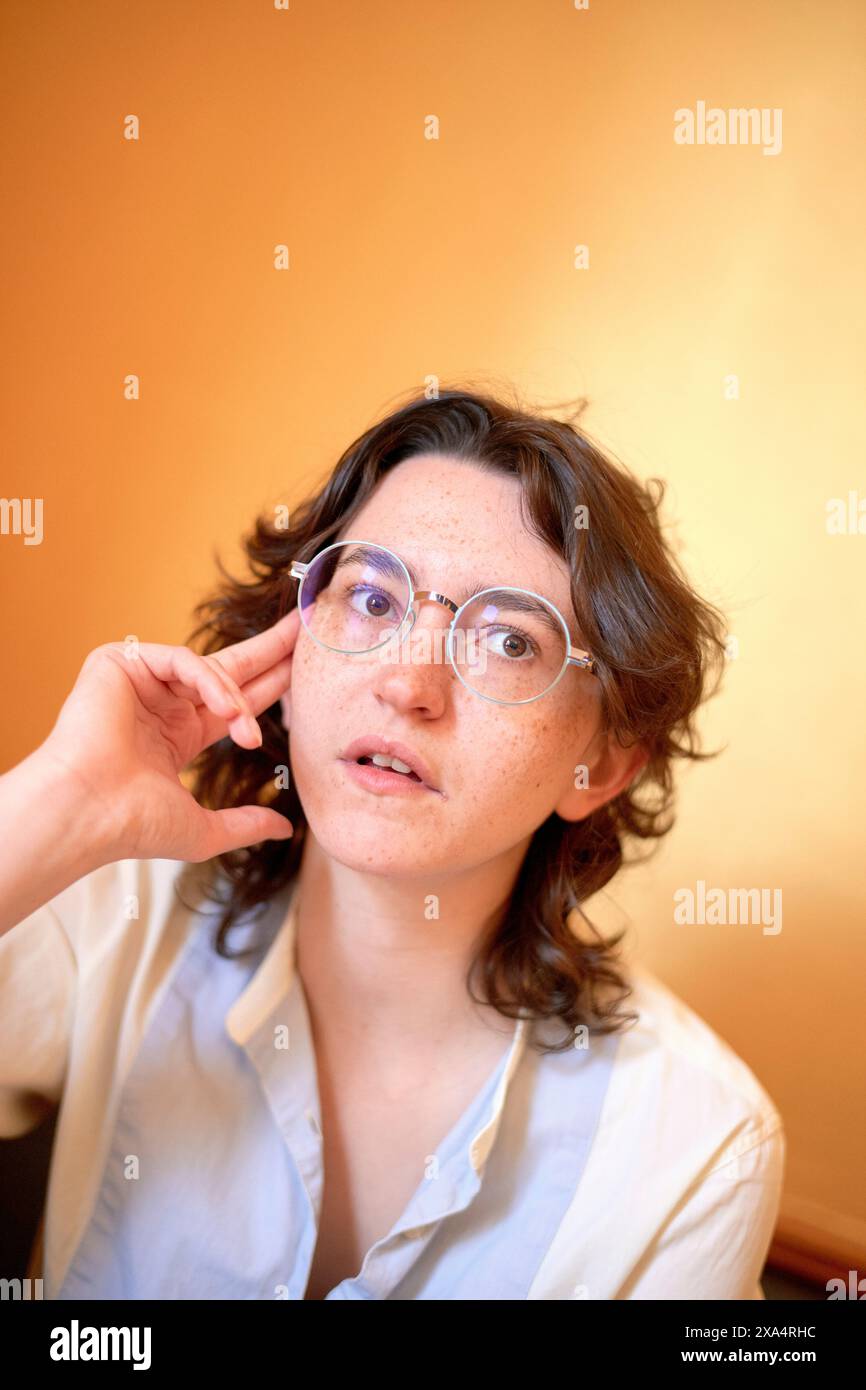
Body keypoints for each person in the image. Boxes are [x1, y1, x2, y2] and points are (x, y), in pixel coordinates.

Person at [0, 387, 785, 1300]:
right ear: (286, 664)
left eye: (509, 643)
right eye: (371, 598)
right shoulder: (115, 910)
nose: (409, 681)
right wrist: (56, 805)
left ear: (601, 765)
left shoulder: (698, 1149)